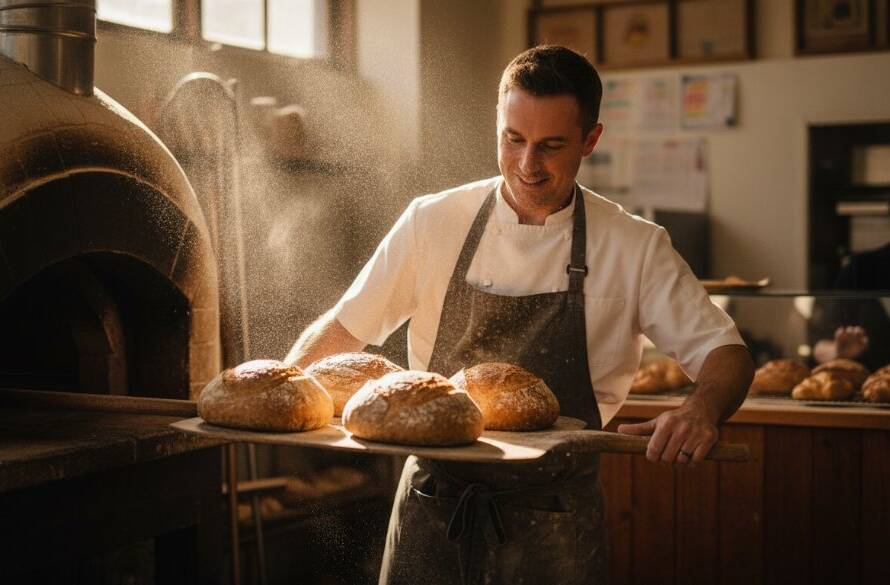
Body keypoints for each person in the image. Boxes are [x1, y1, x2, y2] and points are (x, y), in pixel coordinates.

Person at [285, 45, 754, 585]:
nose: (528, 165)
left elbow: (727, 355)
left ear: (591, 140)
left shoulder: (634, 246)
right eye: (514, 139)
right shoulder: (433, 221)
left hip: (555, 517)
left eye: (552, 145)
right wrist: (284, 390)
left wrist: (702, 409)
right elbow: (344, 330)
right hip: (434, 504)